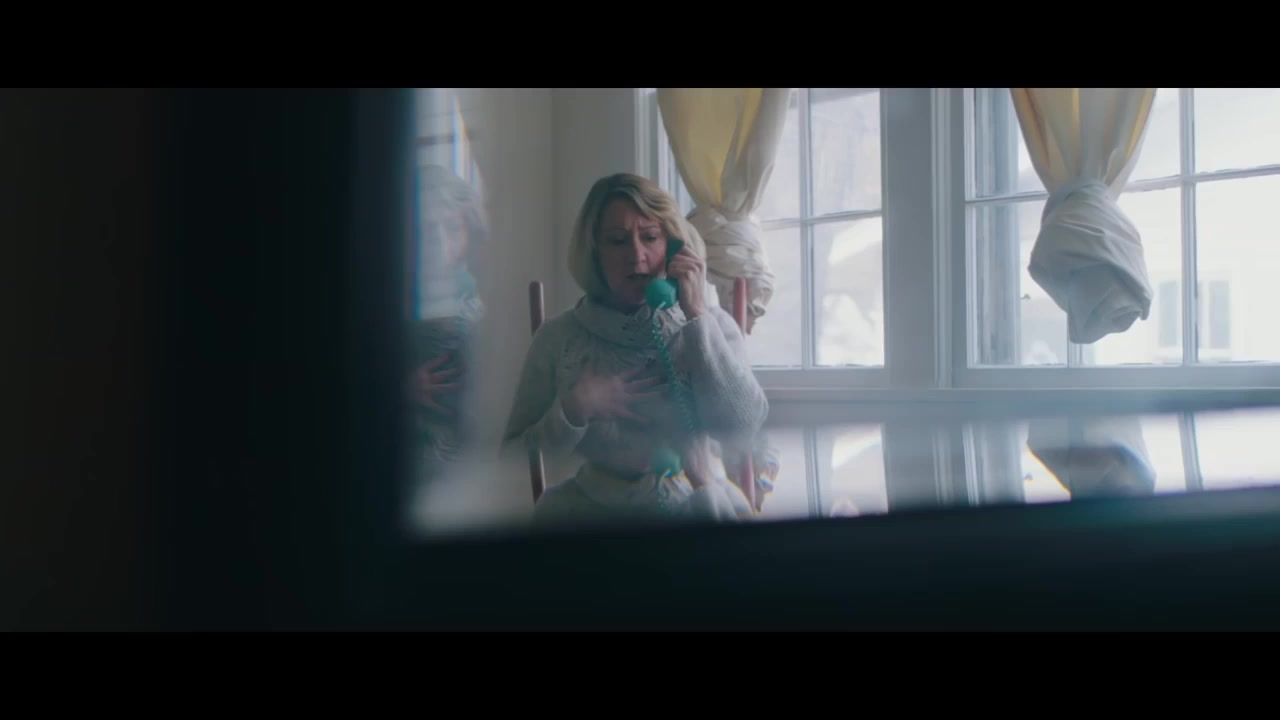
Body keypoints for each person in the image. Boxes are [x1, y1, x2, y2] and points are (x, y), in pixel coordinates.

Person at [503, 173, 767, 528]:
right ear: (595, 252)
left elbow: (745, 426)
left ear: (674, 245)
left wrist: (697, 317)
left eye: (650, 237)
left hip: (698, 501)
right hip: (592, 511)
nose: (636, 255)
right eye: (617, 241)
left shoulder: (712, 324)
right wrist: (572, 410)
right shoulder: (560, 338)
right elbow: (510, 460)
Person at [406, 165, 487, 501]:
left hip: (467, 462)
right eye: (426, 229)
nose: (439, 242)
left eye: (452, 227)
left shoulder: (477, 299)